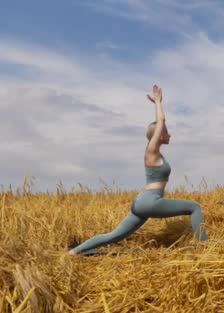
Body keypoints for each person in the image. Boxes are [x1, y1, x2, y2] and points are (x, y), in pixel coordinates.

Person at [68, 84, 207, 255]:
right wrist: (157, 102)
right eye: (166, 132)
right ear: (159, 135)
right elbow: (161, 121)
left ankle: (75, 252)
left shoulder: (156, 155)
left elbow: (162, 125)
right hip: (150, 201)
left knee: (115, 236)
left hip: (142, 202)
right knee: (194, 207)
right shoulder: (151, 151)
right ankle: (206, 248)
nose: (169, 135)